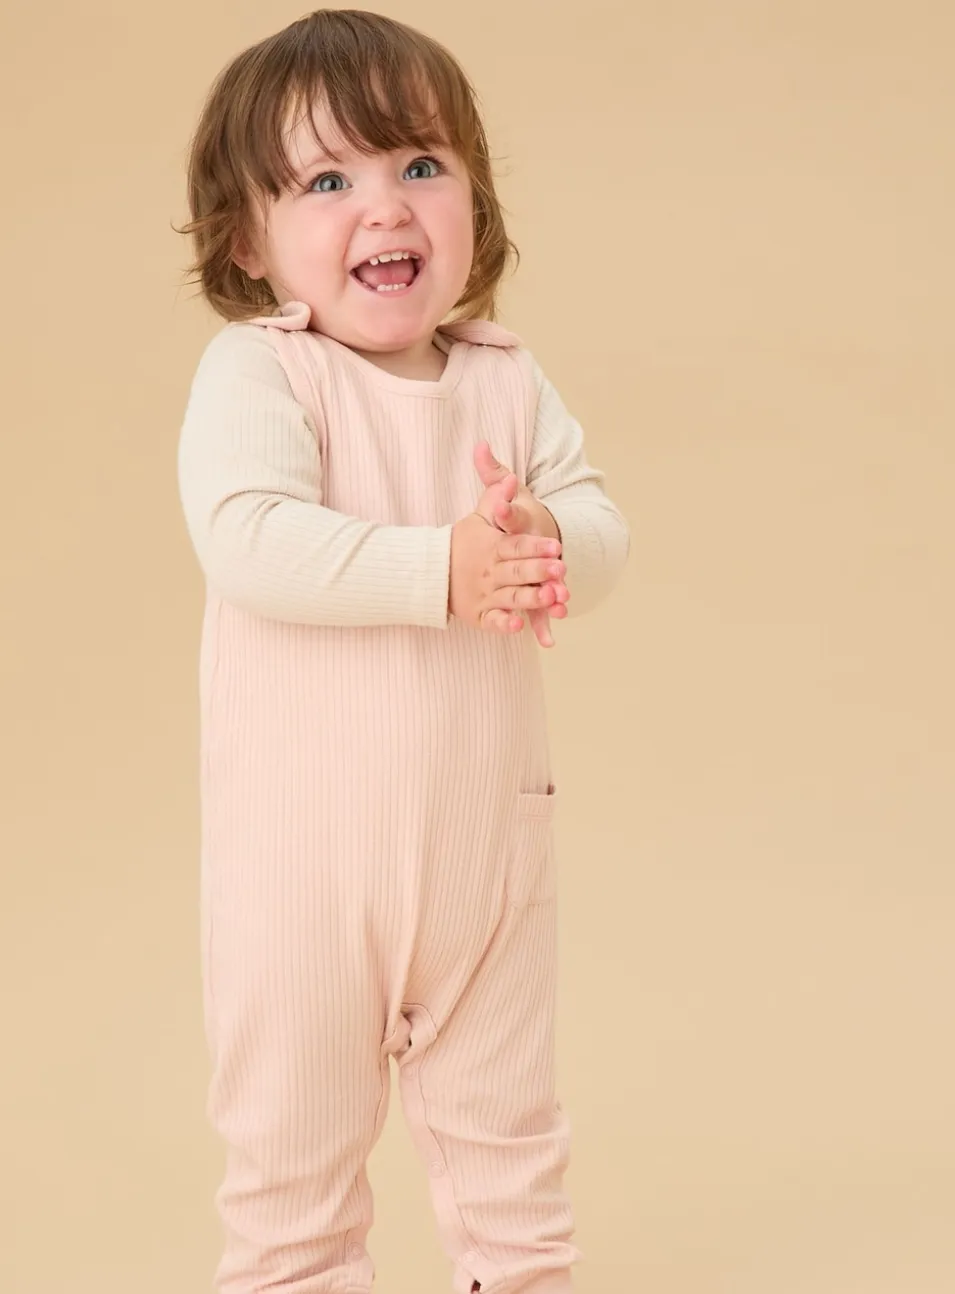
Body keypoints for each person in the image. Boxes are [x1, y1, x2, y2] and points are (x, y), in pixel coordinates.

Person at [176, 10, 629, 1294]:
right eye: (327, 181)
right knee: (293, 1186)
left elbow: (599, 521)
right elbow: (249, 539)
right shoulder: (262, 375)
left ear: (475, 199)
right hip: (301, 878)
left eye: (421, 165)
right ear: (248, 242)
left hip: (488, 864)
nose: (386, 206)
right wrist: (443, 568)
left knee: (513, 1169)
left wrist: (545, 535)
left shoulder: (505, 379)